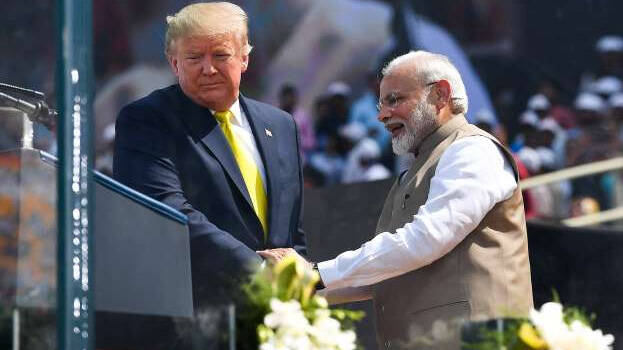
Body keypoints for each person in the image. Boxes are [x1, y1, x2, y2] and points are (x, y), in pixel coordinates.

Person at [259, 50, 533, 349]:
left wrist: (316, 274)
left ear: (440, 94)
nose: (382, 115)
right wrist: (302, 288)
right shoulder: (415, 171)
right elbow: (385, 272)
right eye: (380, 103)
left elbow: (428, 238)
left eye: (394, 100)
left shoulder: (472, 150)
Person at [113, 2, 306, 306]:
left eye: (220, 55)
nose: (208, 68)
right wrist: (260, 271)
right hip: (193, 316)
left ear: (244, 58)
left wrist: (298, 292)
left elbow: (291, 233)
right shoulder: (147, 120)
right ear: (174, 63)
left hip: (277, 316)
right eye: (193, 57)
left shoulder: (281, 126)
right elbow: (165, 211)